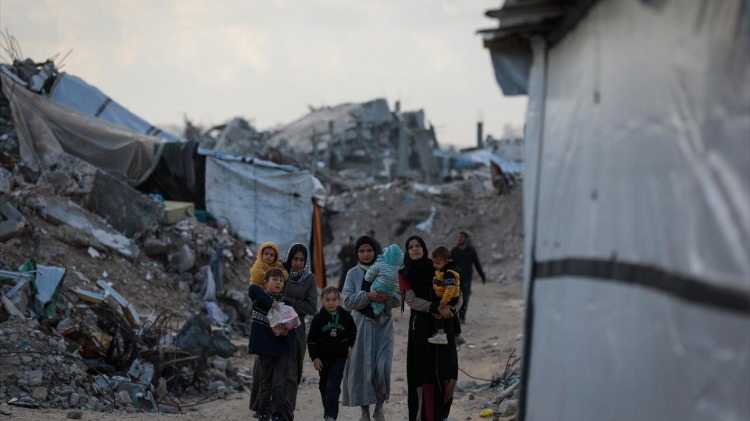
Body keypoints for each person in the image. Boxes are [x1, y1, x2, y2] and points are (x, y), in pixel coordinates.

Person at [402, 235, 462, 421]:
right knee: (424, 374)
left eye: (418, 245)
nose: (414, 249)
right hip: (421, 327)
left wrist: (452, 309)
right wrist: (436, 308)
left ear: (424, 248)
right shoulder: (404, 273)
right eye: (410, 246)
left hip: (445, 324)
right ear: (407, 251)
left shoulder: (438, 266)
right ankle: (424, 416)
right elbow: (411, 300)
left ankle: (442, 414)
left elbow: (458, 292)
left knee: (448, 370)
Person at [341, 236, 401, 421]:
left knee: (383, 366)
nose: (366, 254)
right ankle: (365, 412)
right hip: (360, 327)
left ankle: (379, 407)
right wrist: (368, 296)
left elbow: (399, 297)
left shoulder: (389, 269)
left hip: (384, 326)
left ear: (375, 251)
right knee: (362, 368)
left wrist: (386, 298)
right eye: (362, 251)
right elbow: (347, 301)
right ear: (357, 253)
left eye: (369, 250)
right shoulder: (352, 274)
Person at [248, 268, 296, 421]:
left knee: (280, 383)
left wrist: (285, 333)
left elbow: (292, 330)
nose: (278, 283)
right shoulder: (259, 301)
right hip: (265, 348)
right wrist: (272, 303)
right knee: (265, 382)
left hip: (282, 349)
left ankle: (277, 414)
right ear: (266, 282)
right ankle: (263, 413)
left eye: (281, 280)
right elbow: (252, 288)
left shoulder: (286, 304)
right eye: (274, 279)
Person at [279, 243, 319, 420]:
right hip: (276, 327)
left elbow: (311, 307)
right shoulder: (281, 274)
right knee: (274, 370)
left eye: (302, 260)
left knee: (292, 373)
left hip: (296, 329)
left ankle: (287, 414)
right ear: (289, 259)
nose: (298, 263)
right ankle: (272, 411)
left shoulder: (309, 279)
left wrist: (288, 302)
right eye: (295, 259)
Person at [308, 286, 358, 421]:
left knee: (333, 385)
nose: (331, 303)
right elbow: (311, 340)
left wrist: (350, 345)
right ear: (322, 301)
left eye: (334, 299)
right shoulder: (318, 319)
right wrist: (315, 357)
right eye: (328, 300)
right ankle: (328, 412)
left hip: (340, 357)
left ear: (339, 300)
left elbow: (353, 332)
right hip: (323, 359)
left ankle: (331, 416)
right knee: (324, 386)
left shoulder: (346, 316)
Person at [428, 246, 464, 346]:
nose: (435, 265)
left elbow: (450, 289)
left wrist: (443, 302)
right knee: (453, 315)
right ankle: (459, 335)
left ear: (446, 261)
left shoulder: (449, 273)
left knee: (436, 311)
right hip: (447, 297)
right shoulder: (443, 270)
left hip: (449, 298)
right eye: (434, 263)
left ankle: (441, 334)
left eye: (438, 263)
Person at [450, 231, 485, 323]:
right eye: (459, 237)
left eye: (462, 237)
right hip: (456, 278)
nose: (459, 239)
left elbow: (477, 264)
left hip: (467, 278)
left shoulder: (471, 251)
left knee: (465, 297)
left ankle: (462, 317)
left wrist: (482, 275)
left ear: (466, 239)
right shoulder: (454, 251)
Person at [364, 243, 404, 316]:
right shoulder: (400, 267)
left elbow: (368, 277)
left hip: (379, 288)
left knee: (375, 291)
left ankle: (377, 309)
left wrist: (369, 279)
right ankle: (387, 310)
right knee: (391, 297)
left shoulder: (380, 263)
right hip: (393, 290)